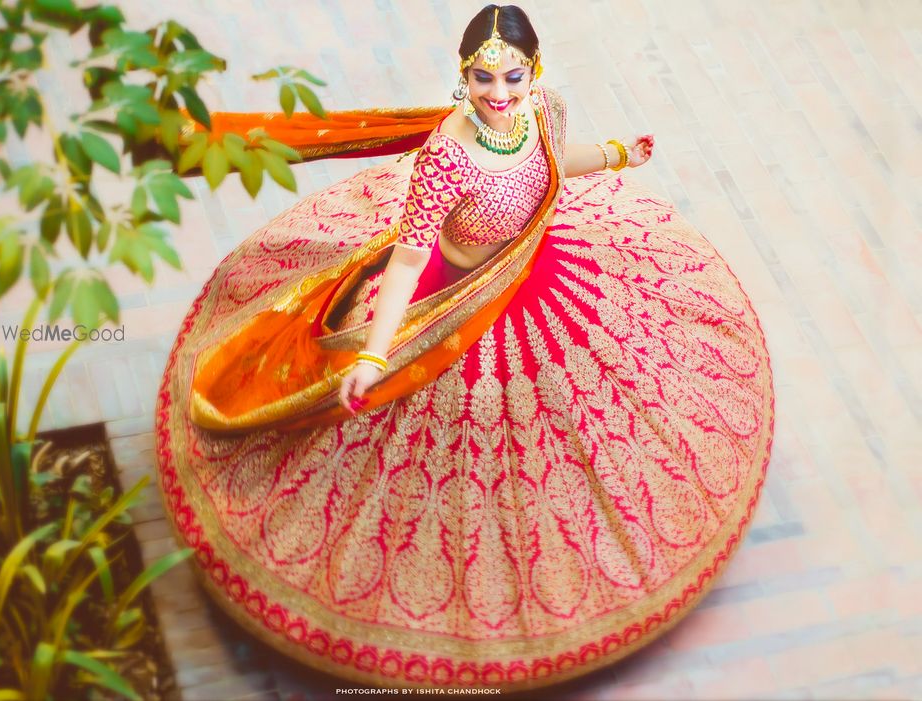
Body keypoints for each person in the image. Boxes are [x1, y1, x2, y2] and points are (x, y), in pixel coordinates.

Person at [156, 4, 775, 694]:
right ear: (463, 74)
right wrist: (373, 352)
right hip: (452, 300)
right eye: (484, 78)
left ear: (534, 72)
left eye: (513, 76)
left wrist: (614, 155)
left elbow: (547, 167)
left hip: (541, 273)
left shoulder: (541, 112)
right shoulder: (446, 157)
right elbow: (408, 258)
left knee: (593, 415)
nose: (499, 94)